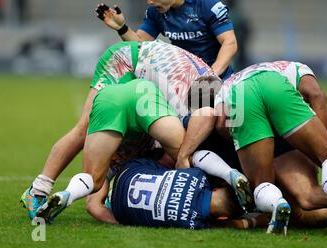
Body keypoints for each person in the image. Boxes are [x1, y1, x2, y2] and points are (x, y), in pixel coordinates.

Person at [20, 40, 231, 220]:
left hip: (143, 77)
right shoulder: (189, 103)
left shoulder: (210, 92)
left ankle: (103, 193)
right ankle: (38, 190)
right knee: (85, 129)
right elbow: (177, 152)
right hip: (124, 63)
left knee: (139, 144)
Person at [177, 61, 327, 236]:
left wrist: (244, 146)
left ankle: (277, 204)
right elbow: (318, 96)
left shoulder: (221, 99)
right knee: (316, 180)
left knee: (265, 186)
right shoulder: (293, 68)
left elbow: (222, 123)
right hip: (275, 88)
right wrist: (318, 155)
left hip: (242, 102)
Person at [35, 80, 250, 226]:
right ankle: (228, 173)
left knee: (94, 178)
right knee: (188, 156)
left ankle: (67, 194)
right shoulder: (139, 157)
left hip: (110, 95)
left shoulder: (118, 160)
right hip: (146, 98)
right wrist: (127, 220)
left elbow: (93, 206)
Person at [95, 0, 237, 80]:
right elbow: (141, 45)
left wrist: (210, 77)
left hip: (217, 79)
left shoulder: (206, 4)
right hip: (182, 81)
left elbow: (230, 42)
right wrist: (121, 27)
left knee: (206, 113)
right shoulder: (155, 11)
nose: (149, 1)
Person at [85, 157, 267, 230]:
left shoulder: (199, 175)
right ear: (220, 218)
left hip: (129, 171)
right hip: (119, 209)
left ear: (217, 188)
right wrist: (252, 221)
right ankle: (101, 185)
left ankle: (104, 173)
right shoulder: (193, 223)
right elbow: (231, 225)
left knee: (171, 162)